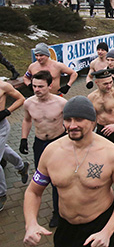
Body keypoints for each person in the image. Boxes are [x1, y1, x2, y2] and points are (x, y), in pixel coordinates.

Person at [23, 96, 114, 247]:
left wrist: (108, 231)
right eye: (68, 119)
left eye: (79, 119)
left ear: (93, 121)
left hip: (99, 225)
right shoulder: (51, 152)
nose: (72, 125)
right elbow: (33, 191)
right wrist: (31, 224)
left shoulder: (111, 154)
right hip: (66, 226)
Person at [21, 70, 67, 227]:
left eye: (40, 86)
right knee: (42, 177)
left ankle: (58, 211)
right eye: (34, 86)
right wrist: (23, 139)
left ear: (50, 85)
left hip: (58, 142)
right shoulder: (28, 103)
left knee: (57, 179)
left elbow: (70, 122)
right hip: (40, 144)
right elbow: (27, 120)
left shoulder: (61, 103)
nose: (36, 90)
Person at [0, 80, 28, 211]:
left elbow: (21, 99)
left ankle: (1, 194)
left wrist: (6, 111)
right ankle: (21, 166)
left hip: (1, 128)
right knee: (3, 150)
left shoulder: (3, 85)